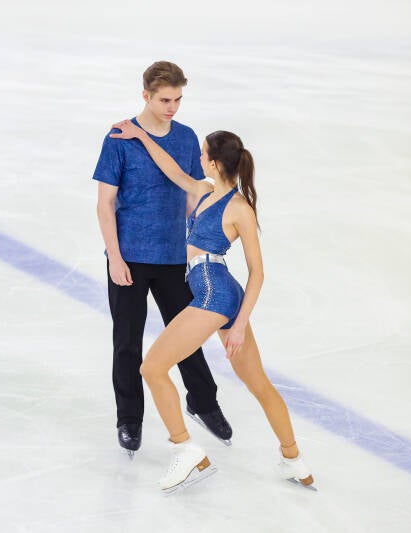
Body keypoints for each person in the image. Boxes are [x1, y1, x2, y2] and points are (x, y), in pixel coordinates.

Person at [109, 118, 315, 493]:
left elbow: (258, 273)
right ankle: (293, 461)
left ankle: (186, 450)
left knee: (152, 368)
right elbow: (171, 170)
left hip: (213, 292)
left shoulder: (240, 209)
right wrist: (140, 135)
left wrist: (238, 325)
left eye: (204, 153)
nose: (199, 158)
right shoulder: (204, 191)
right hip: (219, 289)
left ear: (216, 162)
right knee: (258, 383)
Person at [92, 61, 233, 459]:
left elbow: (191, 191)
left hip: (174, 257)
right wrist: (115, 258)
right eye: (165, 100)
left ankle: (204, 403)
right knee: (127, 344)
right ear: (146, 97)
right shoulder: (119, 139)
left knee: (186, 337)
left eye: (178, 99)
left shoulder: (187, 138)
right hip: (130, 258)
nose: (172, 107)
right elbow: (104, 205)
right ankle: (129, 420)